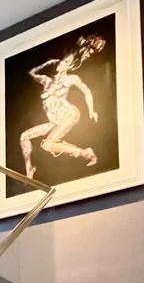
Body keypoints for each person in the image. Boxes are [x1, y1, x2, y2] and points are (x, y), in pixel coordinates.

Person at [19, 34, 106, 178]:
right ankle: (29, 170)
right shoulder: (46, 80)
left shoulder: (71, 79)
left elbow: (87, 92)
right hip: (55, 121)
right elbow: (31, 72)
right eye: (62, 60)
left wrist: (92, 111)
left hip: (68, 114)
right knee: (24, 136)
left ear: (70, 65)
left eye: (66, 62)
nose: (61, 63)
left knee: (47, 145)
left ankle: (85, 153)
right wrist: (47, 63)